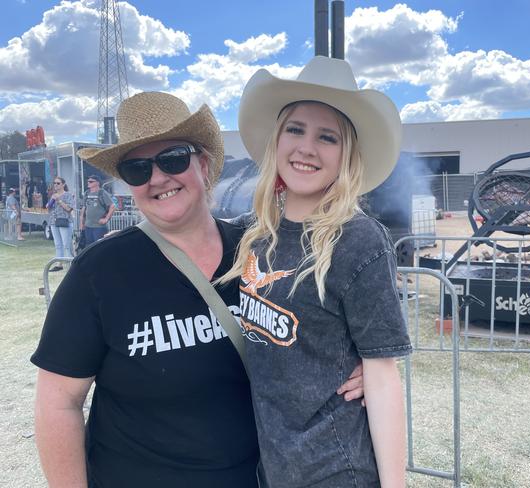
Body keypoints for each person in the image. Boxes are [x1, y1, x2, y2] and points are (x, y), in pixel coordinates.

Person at [31, 91, 363, 488]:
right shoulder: (98, 272)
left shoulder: (265, 248)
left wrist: (358, 366)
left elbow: (330, 323)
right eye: (137, 169)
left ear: (203, 165)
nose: (157, 178)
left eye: (172, 159)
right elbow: (58, 404)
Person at [220, 56, 411, 487]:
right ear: (277, 139)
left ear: (346, 155)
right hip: (272, 465)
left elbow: (381, 377)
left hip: (335, 469)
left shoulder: (358, 239)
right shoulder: (253, 235)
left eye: (327, 137)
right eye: (295, 129)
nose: (306, 148)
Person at [46, 176, 75, 269]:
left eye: (58, 183)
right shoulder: (53, 195)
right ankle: (59, 264)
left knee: (67, 244)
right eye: (54, 183)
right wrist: (51, 201)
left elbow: (69, 208)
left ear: (63, 184)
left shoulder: (68, 195)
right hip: (54, 221)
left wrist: (59, 200)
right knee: (58, 244)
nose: (56, 185)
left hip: (65, 221)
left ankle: (72, 263)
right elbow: (48, 207)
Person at [80, 174, 115, 245]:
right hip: (88, 226)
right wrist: (81, 223)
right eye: (88, 181)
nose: (88, 183)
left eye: (91, 181)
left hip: (99, 227)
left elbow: (113, 206)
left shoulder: (102, 193)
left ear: (98, 183)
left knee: (99, 246)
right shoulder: (86, 193)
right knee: (89, 247)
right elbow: (83, 208)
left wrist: (106, 219)